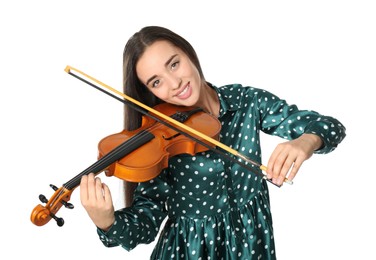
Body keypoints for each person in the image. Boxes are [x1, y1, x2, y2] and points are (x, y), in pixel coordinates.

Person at [79, 26, 346, 259]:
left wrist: (306, 141)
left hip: (252, 246)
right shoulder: (160, 140)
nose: (175, 83)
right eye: (156, 82)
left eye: (174, 64)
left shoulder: (246, 102)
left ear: (189, 54)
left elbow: (331, 126)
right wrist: (107, 222)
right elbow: (146, 223)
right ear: (149, 93)